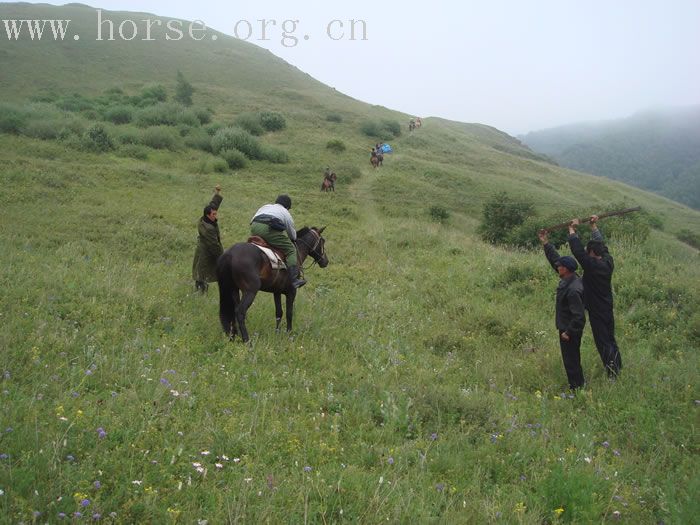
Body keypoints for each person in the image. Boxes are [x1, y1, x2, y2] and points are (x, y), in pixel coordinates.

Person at [568, 216, 622, 377]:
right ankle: (618, 366)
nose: (586, 253)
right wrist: (593, 226)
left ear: (591, 253)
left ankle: (613, 373)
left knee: (603, 341)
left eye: (588, 251)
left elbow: (577, 252)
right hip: (607, 306)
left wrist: (572, 231)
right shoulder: (608, 261)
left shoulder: (592, 265)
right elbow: (602, 245)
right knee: (610, 338)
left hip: (597, 309)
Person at [539, 230, 587, 390]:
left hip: (569, 330)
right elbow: (555, 260)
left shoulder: (572, 290)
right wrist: (546, 243)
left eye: (560, 267)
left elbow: (579, 316)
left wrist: (568, 332)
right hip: (567, 328)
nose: (557, 267)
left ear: (565, 269)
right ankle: (577, 386)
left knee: (571, 360)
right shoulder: (571, 278)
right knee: (572, 358)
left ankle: (577, 389)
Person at [250, 194, 306, 288]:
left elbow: (252, 219)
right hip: (267, 230)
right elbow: (292, 235)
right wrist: (292, 239)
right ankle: (294, 280)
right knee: (291, 249)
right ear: (287, 207)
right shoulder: (285, 212)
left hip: (254, 227)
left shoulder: (266, 206)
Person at [192, 185, 223, 293]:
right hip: (205, 252)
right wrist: (222, 258)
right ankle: (200, 293)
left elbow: (212, 205)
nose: (216, 216)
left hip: (203, 249)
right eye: (214, 214)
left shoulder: (205, 218)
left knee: (201, 271)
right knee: (203, 273)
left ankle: (200, 292)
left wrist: (217, 193)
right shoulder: (208, 229)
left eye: (216, 213)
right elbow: (214, 245)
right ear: (208, 215)